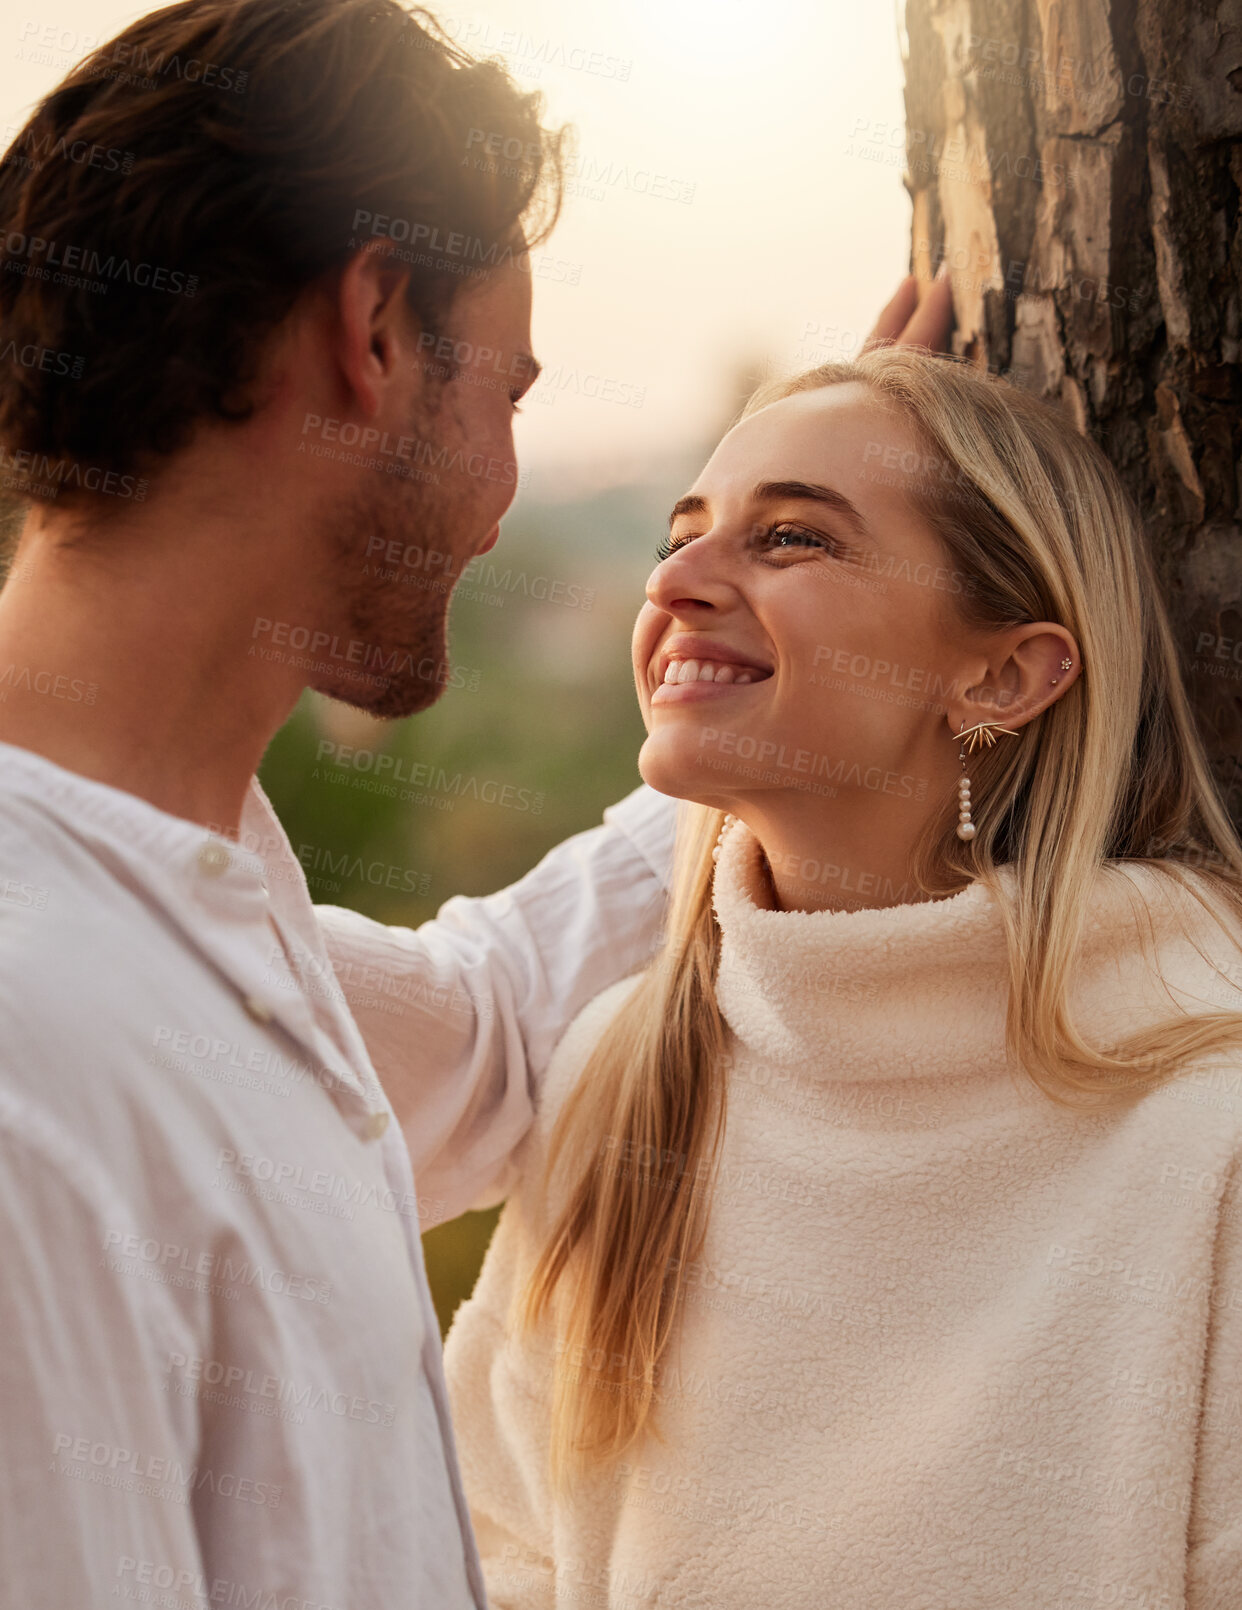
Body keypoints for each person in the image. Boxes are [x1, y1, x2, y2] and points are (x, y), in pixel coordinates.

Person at [0, 0, 950, 1603]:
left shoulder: (194, 900)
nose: (507, 496)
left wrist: (785, 688)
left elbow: (501, 1028)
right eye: (505, 394)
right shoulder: (44, 1053)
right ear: (373, 330)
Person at [441, 347, 1242, 1610]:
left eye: (792, 538)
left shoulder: (1209, 1128)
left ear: (1004, 674)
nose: (675, 580)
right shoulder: (624, 1070)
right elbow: (488, 1557)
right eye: (682, 532)